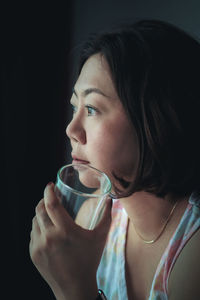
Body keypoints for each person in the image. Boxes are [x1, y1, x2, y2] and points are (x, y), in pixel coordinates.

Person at [29, 19, 200, 300]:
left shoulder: (193, 250)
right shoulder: (91, 222)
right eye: (75, 107)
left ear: (154, 119)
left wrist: (73, 290)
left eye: (93, 108)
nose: (71, 130)